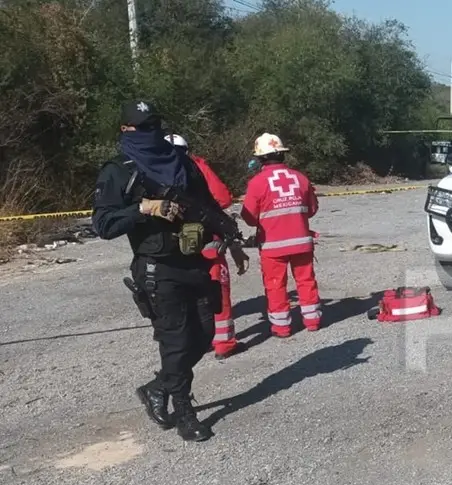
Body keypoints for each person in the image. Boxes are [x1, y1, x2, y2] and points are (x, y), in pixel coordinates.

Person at [92, 100, 249, 443]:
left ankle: (157, 387)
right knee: (176, 344)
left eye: (155, 127)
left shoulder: (181, 163)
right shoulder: (119, 170)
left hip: (193, 261)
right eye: (143, 128)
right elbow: (102, 224)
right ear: (125, 130)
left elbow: (207, 206)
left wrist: (232, 239)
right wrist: (143, 208)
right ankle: (184, 413)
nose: (152, 134)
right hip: (156, 267)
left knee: (205, 334)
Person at [165, 134, 239, 359]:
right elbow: (223, 198)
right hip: (205, 240)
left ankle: (194, 342)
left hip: (170, 246)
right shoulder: (196, 166)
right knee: (217, 288)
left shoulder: (152, 167)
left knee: (185, 294)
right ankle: (224, 343)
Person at [240, 133, 321, 338]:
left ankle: (282, 328)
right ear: (283, 155)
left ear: (260, 158)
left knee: (276, 285)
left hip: (273, 246)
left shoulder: (257, 183)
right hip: (302, 242)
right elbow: (311, 209)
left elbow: (249, 218)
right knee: (306, 280)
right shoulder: (301, 178)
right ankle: (312, 321)